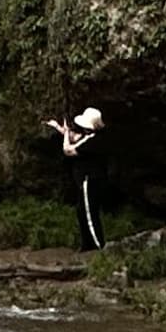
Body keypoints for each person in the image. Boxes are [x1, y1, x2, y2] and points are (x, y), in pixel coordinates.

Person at [47, 106, 107, 251]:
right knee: (81, 211)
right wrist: (60, 128)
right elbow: (75, 138)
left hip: (90, 180)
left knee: (89, 214)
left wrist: (66, 132)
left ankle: (98, 246)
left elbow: (68, 150)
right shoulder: (88, 137)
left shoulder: (94, 142)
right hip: (86, 181)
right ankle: (87, 244)